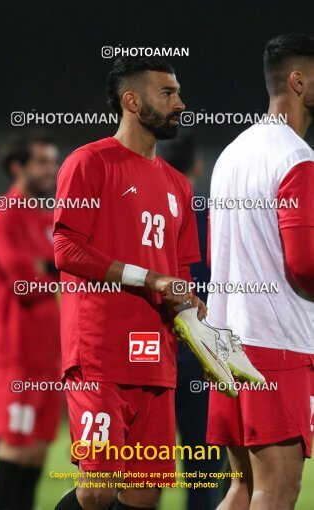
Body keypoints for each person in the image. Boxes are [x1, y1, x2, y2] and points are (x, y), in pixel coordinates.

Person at [53, 56, 209, 510]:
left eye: (178, 92)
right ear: (132, 100)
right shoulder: (90, 162)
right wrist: (151, 278)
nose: (181, 102)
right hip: (99, 354)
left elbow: (178, 274)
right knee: (98, 489)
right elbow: (67, 250)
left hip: (156, 357)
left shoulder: (179, 186)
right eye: (168, 93)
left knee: (144, 495)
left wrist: (193, 312)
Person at [206, 33, 314, 510]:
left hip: (226, 340)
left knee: (244, 486)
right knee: (278, 488)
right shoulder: (296, 157)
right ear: (298, 81)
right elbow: (305, 264)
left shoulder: (231, 153)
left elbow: (216, 251)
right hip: (276, 344)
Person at [0, 134, 62, 510]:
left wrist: (49, 268)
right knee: (14, 456)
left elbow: (62, 268)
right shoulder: (1, 215)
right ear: (18, 167)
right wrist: (52, 270)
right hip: (15, 358)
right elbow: (24, 283)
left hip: (49, 357)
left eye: (52, 161)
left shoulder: (46, 219)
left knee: (34, 460)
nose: (51, 170)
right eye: (42, 162)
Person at [159, 131, 226, 510]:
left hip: (149, 357)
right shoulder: (212, 216)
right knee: (203, 475)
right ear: (197, 167)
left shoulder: (143, 217)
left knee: (137, 474)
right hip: (201, 358)